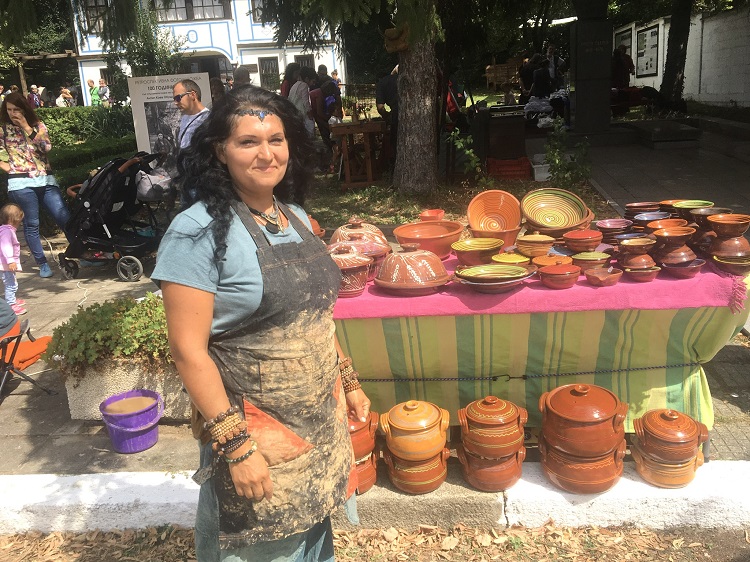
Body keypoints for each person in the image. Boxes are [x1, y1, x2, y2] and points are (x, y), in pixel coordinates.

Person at [151, 85, 371, 561]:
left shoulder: (296, 217)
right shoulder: (196, 232)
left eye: (276, 139)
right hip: (256, 434)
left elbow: (314, 316)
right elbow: (188, 351)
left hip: (319, 420)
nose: (266, 154)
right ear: (220, 151)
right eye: (248, 141)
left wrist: (348, 380)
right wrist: (237, 448)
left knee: (311, 538)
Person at [0, 92, 71, 278]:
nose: (13, 113)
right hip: (20, 183)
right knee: (32, 224)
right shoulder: (3, 130)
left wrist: (26, 126)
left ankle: (81, 251)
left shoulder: (38, 126)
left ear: (24, 109)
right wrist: (7, 167)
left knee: (64, 217)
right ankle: (42, 263)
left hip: (45, 180)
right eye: (9, 110)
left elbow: (46, 147)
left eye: (16, 109)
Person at [0, 203, 26, 315]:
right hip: (6, 263)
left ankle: (12, 299)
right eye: (19, 221)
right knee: (11, 284)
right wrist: (10, 261)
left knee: (11, 281)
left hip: (5, 263)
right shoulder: (7, 232)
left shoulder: (5, 230)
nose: (19, 224)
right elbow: (5, 246)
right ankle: (11, 304)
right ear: (13, 220)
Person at [376, 65, 399, 162]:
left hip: (396, 114)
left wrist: (387, 116)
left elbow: (380, 107)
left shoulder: (382, 83)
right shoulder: (402, 78)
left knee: (396, 142)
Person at [288, 67, 317, 138]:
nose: (313, 84)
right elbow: (306, 102)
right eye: (312, 81)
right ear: (307, 79)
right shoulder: (304, 85)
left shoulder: (295, 85)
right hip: (302, 114)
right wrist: (310, 113)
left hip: (295, 114)